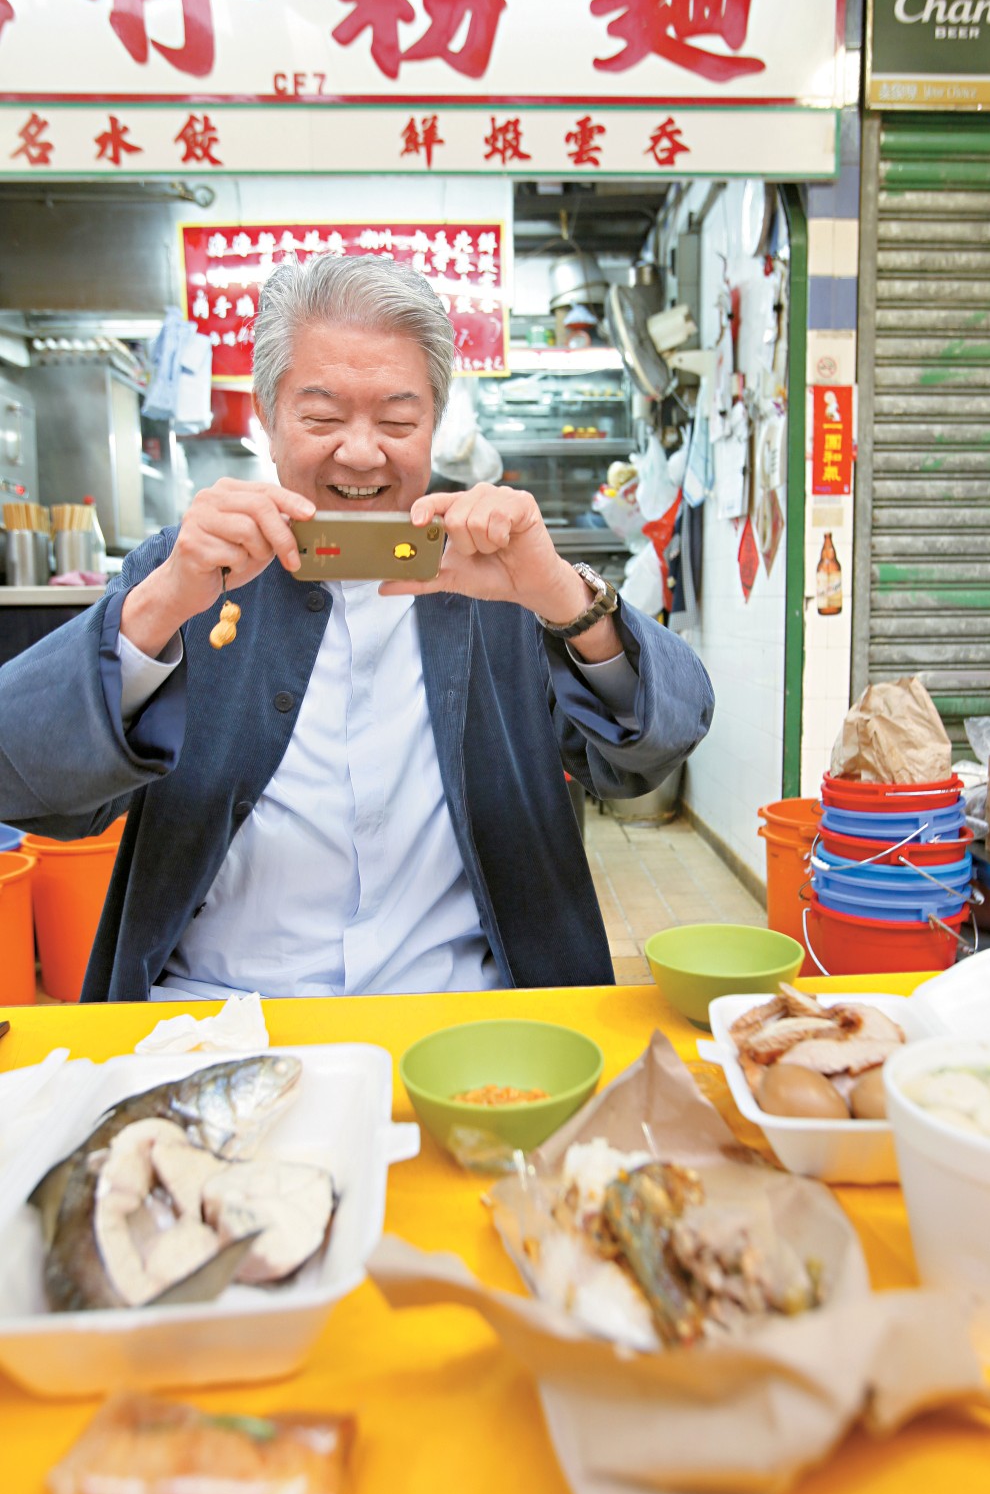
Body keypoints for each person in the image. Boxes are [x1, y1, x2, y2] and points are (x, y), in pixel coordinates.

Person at [0, 255, 713, 1002]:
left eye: (399, 421)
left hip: (461, 1018)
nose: (363, 452)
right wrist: (159, 607)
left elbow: (664, 739)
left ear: (434, 424)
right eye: (322, 417)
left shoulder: (500, 585)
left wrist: (568, 599)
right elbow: (21, 773)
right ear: (267, 419)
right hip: (218, 1014)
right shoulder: (185, 573)